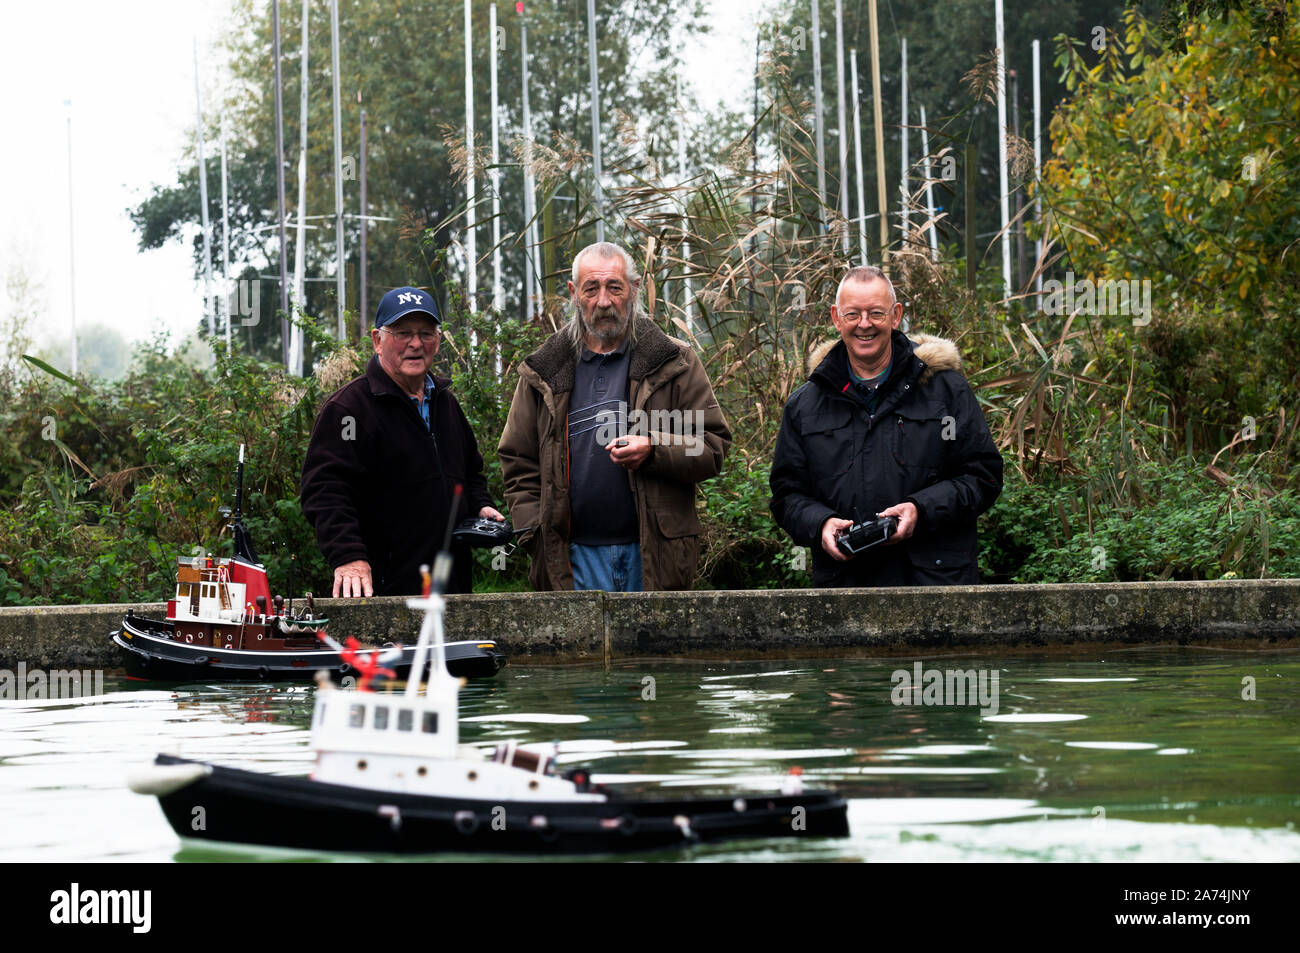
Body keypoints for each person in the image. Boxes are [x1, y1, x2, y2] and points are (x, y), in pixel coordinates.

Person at [498, 241, 731, 591]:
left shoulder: (673, 361)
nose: (604, 301)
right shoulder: (544, 370)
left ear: (634, 289)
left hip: (654, 553)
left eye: (615, 288)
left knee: (651, 648)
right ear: (575, 293)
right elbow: (518, 460)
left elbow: (712, 448)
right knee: (579, 649)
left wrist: (654, 448)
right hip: (571, 558)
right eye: (592, 289)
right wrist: (535, 532)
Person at [770, 265, 1003, 587]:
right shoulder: (805, 405)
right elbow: (787, 494)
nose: (864, 325)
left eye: (876, 313)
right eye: (853, 315)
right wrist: (820, 524)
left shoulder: (946, 390)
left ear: (896, 316)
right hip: (846, 587)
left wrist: (921, 510)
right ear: (836, 318)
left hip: (935, 585)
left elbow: (983, 477)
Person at [300, 286, 504, 597]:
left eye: (426, 333)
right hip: (383, 591)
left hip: (451, 588)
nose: (415, 344)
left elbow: (471, 472)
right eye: (402, 332)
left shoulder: (445, 404)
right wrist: (349, 556)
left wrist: (480, 506)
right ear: (377, 340)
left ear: (438, 340)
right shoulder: (350, 412)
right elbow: (326, 490)